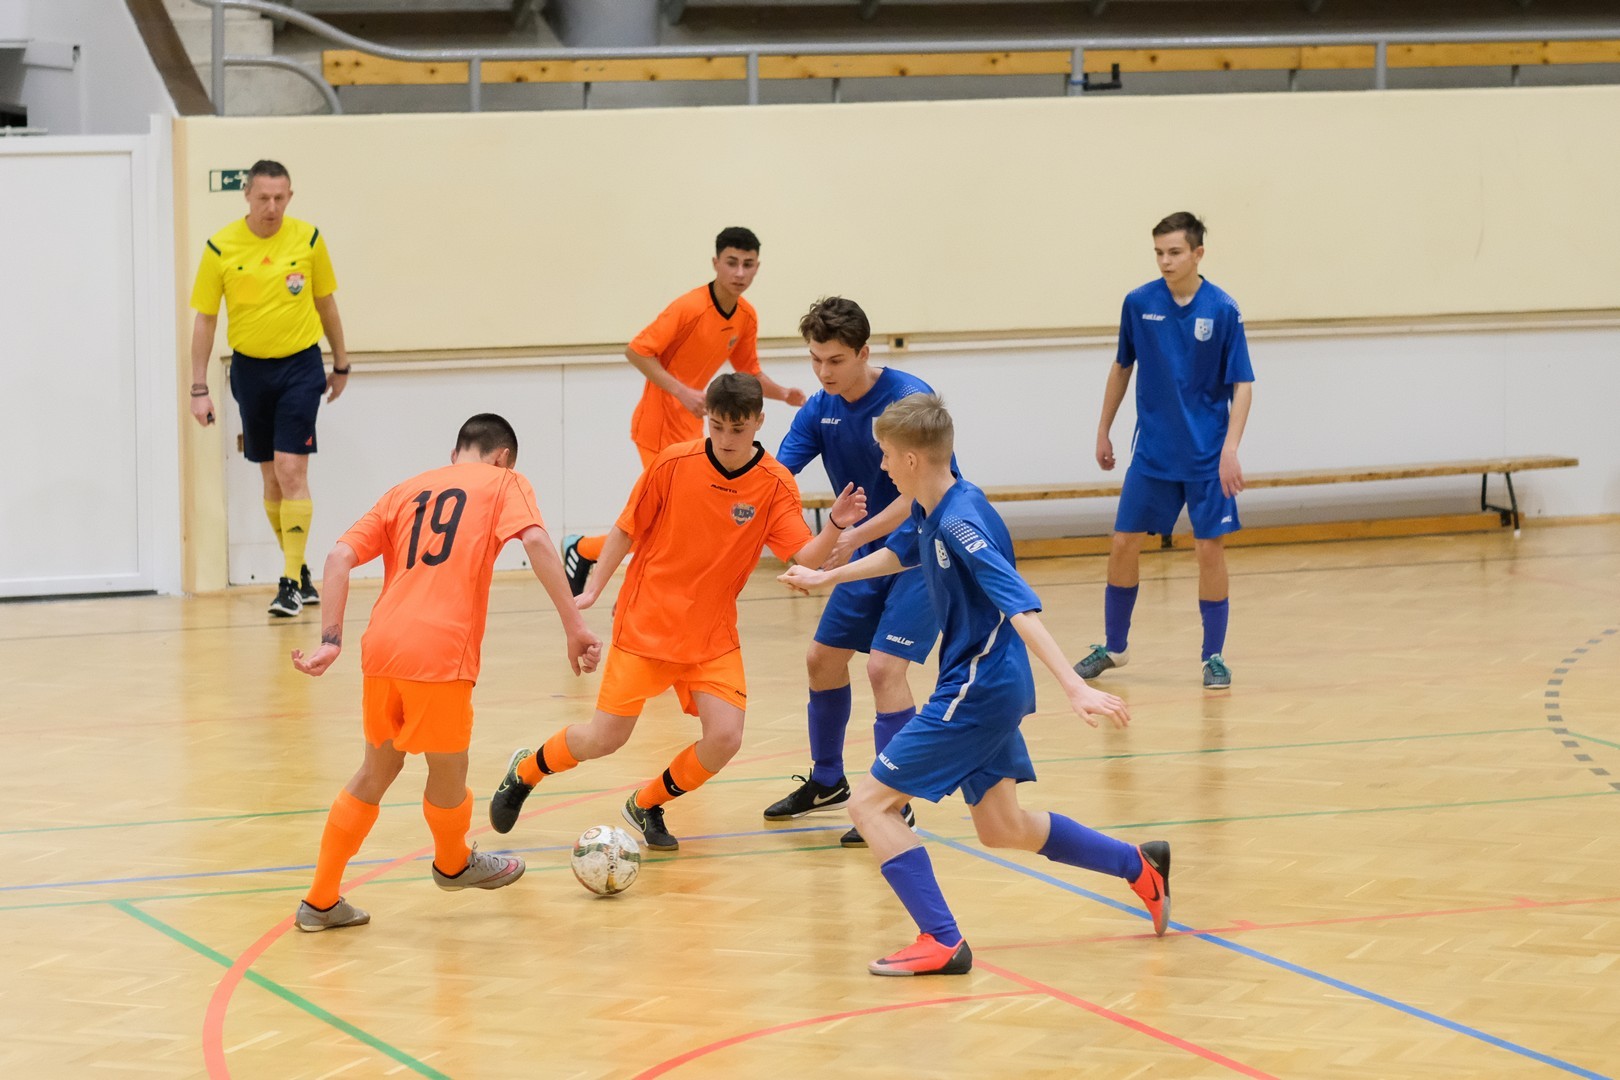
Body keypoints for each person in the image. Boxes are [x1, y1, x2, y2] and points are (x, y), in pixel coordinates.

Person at [779, 395, 1169, 977]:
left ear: (911, 459)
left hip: (977, 687)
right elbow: (900, 555)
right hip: (991, 683)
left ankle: (941, 940)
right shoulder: (936, 505)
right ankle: (1139, 865)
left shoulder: (962, 521)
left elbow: (1019, 605)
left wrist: (1074, 686)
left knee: (869, 804)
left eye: (886, 455)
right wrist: (824, 576)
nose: (882, 465)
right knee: (1002, 827)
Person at [488, 373, 865, 852]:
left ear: (759, 421)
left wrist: (834, 525)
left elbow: (804, 556)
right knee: (604, 739)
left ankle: (646, 803)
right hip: (647, 625)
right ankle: (526, 771)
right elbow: (626, 529)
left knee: (725, 738)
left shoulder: (774, 484)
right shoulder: (673, 463)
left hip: (711, 636)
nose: (726, 439)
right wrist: (595, 587)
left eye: (738, 428)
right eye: (717, 426)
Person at [288, 414, 601, 932]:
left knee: (375, 771)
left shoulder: (405, 490)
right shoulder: (505, 482)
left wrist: (330, 640)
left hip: (382, 649)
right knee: (449, 771)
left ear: (457, 453)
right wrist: (575, 625)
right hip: (439, 651)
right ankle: (453, 863)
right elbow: (537, 542)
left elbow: (339, 556)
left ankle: (319, 901)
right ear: (502, 457)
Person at [762, 297, 948, 847]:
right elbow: (775, 479)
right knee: (822, 660)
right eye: (815, 359)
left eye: (836, 360)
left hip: (919, 552)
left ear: (864, 353)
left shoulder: (909, 400)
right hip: (864, 553)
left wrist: (852, 534)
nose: (823, 372)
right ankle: (827, 781)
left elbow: (925, 493)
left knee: (885, 670)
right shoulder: (819, 408)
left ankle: (894, 803)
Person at [561, 227, 806, 595]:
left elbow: (749, 371)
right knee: (655, 520)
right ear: (716, 263)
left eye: (748, 264)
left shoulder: (746, 316)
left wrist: (783, 393)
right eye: (732, 263)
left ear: (757, 267)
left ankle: (584, 550)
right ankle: (592, 559)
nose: (739, 273)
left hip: (693, 430)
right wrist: (681, 391)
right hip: (657, 427)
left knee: (671, 521)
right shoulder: (689, 308)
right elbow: (637, 350)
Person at [1074, 211, 1255, 689]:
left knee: (1208, 550)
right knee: (1123, 542)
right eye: (1158, 253)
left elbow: (1243, 384)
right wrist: (1103, 430)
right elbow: (1121, 367)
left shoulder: (1223, 309)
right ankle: (1115, 647)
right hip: (1153, 453)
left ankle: (1213, 656)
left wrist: (1231, 449)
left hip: (1207, 456)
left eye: (1174, 252)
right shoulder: (1139, 303)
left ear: (1198, 253)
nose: (1165, 261)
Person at [188, 159, 352, 618]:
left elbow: (326, 303)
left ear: (290, 197)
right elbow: (205, 320)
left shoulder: (309, 239)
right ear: (247, 196)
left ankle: (288, 583)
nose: (272, 207)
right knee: (271, 478)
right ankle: (299, 571)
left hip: (300, 367)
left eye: (280, 198)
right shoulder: (220, 247)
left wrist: (341, 363)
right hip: (250, 371)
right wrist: (198, 388)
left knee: (290, 469)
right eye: (263, 198)